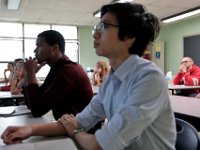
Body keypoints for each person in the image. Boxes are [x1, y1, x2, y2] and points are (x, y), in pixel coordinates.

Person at [1, 2, 176, 150]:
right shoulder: (111, 79)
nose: (95, 33)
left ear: (129, 37)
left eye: (104, 26)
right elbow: (80, 120)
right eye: (97, 26)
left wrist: (74, 132)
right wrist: (29, 130)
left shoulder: (149, 78)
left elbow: (97, 145)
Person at [20, 30, 93, 120]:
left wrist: (30, 72)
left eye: (39, 45)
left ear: (54, 48)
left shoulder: (68, 71)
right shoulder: (57, 69)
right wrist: (29, 73)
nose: (35, 50)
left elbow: (37, 110)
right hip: (68, 127)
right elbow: (32, 103)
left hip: (82, 130)